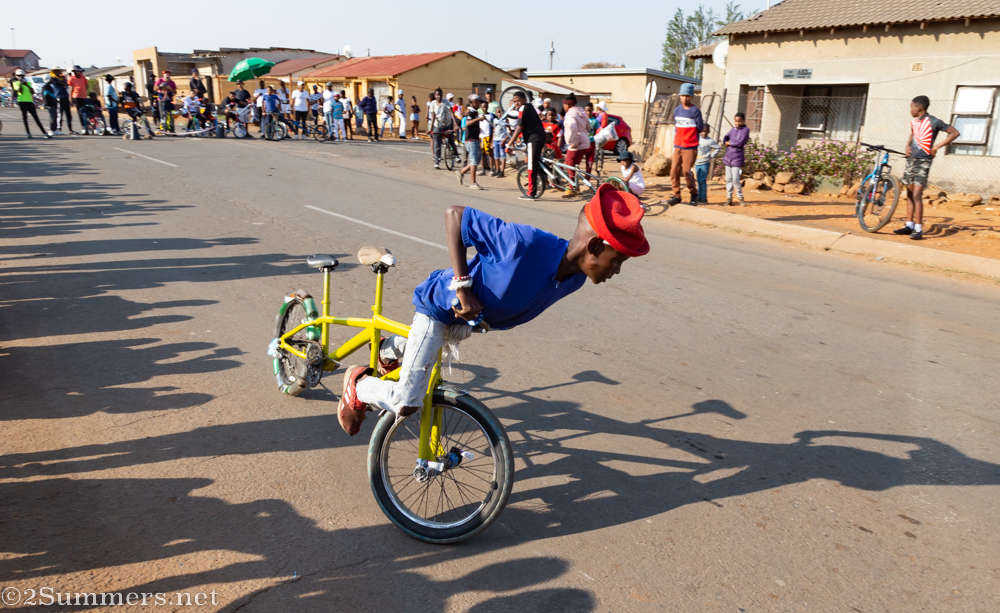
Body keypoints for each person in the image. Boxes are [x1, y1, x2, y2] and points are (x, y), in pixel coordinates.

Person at [336, 185, 650, 436]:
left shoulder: (575, 279)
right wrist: (463, 286)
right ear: (594, 247)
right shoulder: (523, 244)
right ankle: (359, 384)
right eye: (617, 261)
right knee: (407, 402)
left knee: (431, 346)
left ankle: (389, 353)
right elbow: (455, 215)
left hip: (469, 322)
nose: (616, 271)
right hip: (440, 307)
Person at [894, 95, 961, 241]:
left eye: (912, 107)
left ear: (919, 108)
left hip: (923, 161)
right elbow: (913, 132)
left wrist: (936, 146)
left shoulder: (934, 121)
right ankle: (909, 225)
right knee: (910, 194)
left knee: (917, 194)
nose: (910, 110)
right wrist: (907, 145)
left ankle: (918, 229)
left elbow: (954, 133)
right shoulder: (914, 121)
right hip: (911, 159)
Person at [505, 90, 547, 200]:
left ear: (524, 100)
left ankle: (531, 193)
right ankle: (545, 176)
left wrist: (509, 144)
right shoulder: (530, 107)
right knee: (536, 160)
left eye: (519, 100)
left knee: (531, 165)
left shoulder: (523, 108)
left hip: (534, 138)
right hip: (540, 136)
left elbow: (519, 128)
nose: (516, 103)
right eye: (514, 101)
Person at [668, 82, 704, 205]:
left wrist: (691, 138)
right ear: (680, 96)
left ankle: (694, 194)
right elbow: (676, 127)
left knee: (686, 171)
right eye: (683, 95)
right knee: (673, 170)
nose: (685, 98)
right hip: (678, 146)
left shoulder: (695, 111)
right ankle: (676, 195)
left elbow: (700, 127)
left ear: (691, 97)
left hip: (690, 147)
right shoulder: (676, 110)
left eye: (687, 96)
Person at [561, 95, 591, 197]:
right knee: (574, 165)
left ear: (568, 104)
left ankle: (571, 187)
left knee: (569, 164)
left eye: (564, 104)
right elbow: (588, 127)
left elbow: (573, 127)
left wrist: (574, 141)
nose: (563, 106)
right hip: (585, 142)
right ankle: (575, 184)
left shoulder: (570, 114)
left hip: (576, 143)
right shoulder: (582, 113)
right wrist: (582, 134)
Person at [457, 94, 485, 190]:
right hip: (471, 140)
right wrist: (479, 119)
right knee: (474, 161)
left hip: (475, 138)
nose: (479, 103)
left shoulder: (474, 111)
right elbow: (468, 123)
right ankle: (473, 183)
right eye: (477, 101)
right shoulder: (470, 111)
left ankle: (461, 172)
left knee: (476, 160)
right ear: (472, 102)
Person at [11, 69, 49, 138]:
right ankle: (28, 132)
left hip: (29, 101)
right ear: (16, 76)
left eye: (22, 76)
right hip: (22, 101)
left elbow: (32, 92)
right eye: (19, 76)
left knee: (35, 117)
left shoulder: (28, 82)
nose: (20, 77)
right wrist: (20, 83)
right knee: (25, 117)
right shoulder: (15, 83)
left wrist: (26, 84)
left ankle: (44, 132)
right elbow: (20, 91)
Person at [721, 113, 749, 206]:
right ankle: (729, 198)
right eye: (736, 121)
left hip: (737, 157)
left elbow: (741, 142)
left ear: (743, 121)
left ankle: (740, 198)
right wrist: (725, 141)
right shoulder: (733, 130)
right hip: (728, 157)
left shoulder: (746, 130)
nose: (737, 123)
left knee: (735, 179)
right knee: (728, 179)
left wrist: (730, 143)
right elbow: (726, 136)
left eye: (739, 121)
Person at [428, 88, 457, 170]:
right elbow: (433, 116)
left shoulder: (445, 102)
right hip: (437, 125)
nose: (439, 96)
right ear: (435, 96)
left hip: (447, 124)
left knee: (451, 140)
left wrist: (455, 124)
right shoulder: (433, 104)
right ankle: (437, 161)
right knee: (437, 144)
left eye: (440, 95)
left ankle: (456, 155)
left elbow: (451, 112)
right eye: (437, 95)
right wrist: (431, 129)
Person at [694, 126, 721, 205]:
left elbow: (717, 148)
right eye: (702, 131)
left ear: (708, 131)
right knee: (698, 181)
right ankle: (699, 197)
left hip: (704, 163)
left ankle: (703, 198)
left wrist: (711, 156)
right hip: (697, 163)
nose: (704, 133)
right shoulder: (697, 138)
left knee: (703, 180)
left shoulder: (710, 141)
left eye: (706, 131)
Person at [67, 66, 90, 133]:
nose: (79, 73)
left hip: (84, 96)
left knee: (86, 111)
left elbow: (86, 86)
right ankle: (83, 126)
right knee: (80, 112)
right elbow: (71, 89)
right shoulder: (72, 78)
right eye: (78, 71)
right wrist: (70, 98)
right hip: (76, 97)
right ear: (75, 72)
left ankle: (88, 125)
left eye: (80, 71)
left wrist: (85, 93)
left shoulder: (83, 78)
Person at [490, 108, 511, 178]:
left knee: (503, 156)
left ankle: (502, 171)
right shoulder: (495, 120)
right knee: (496, 156)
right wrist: (492, 142)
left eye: (500, 112)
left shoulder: (505, 120)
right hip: (496, 140)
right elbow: (494, 131)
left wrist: (504, 140)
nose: (499, 114)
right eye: (497, 112)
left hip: (502, 140)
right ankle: (497, 170)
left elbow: (509, 131)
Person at [583, 103, 598, 173]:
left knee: (589, 161)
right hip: (582, 143)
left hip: (591, 143)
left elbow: (595, 133)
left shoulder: (595, 121)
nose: (588, 112)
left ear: (592, 110)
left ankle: (587, 176)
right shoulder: (582, 120)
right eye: (586, 111)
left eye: (590, 110)